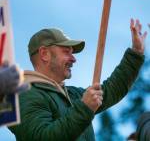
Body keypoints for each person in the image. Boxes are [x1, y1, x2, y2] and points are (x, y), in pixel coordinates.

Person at [8, 19, 147, 141]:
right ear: (44, 54)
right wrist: (85, 108)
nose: (73, 58)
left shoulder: (72, 94)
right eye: (66, 52)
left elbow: (111, 90)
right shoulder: (22, 96)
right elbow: (42, 137)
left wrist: (136, 53)